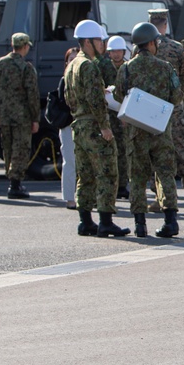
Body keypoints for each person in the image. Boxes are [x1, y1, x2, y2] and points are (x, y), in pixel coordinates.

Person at [114, 22, 184, 238]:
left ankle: (140, 225)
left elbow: (118, 95)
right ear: (152, 43)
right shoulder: (166, 67)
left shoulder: (126, 68)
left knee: (137, 177)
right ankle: (170, 222)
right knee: (165, 175)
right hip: (160, 130)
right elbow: (177, 96)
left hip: (136, 132)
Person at [64, 19, 129, 237]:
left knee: (85, 175)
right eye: (99, 41)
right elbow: (94, 98)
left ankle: (85, 222)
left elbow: (68, 97)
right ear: (89, 42)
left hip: (78, 125)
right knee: (108, 172)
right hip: (93, 125)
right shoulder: (89, 66)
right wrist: (104, 126)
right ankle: (106, 221)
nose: (103, 45)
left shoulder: (72, 65)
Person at [148, 8, 184, 210]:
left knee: (158, 152)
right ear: (165, 25)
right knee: (180, 150)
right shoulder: (178, 48)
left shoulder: (143, 48)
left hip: (154, 109)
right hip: (173, 107)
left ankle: (162, 196)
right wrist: (177, 100)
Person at [0, 32, 40, 199]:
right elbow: (32, 95)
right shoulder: (26, 68)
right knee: (21, 148)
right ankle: (15, 184)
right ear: (24, 47)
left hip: (5, 115)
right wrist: (35, 118)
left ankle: (11, 180)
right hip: (22, 116)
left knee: (8, 148)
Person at [104, 34, 129, 200]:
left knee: (124, 151)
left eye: (119, 51)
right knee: (112, 150)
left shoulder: (128, 68)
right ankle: (113, 185)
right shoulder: (104, 68)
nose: (116, 54)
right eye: (113, 51)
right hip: (110, 115)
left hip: (126, 114)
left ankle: (122, 185)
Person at [59, 47, 80, 210]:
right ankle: (69, 198)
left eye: (75, 58)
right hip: (68, 125)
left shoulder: (83, 77)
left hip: (83, 125)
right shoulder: (64, 81)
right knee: (70, 162)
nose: (72, 61)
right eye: (69, 59)